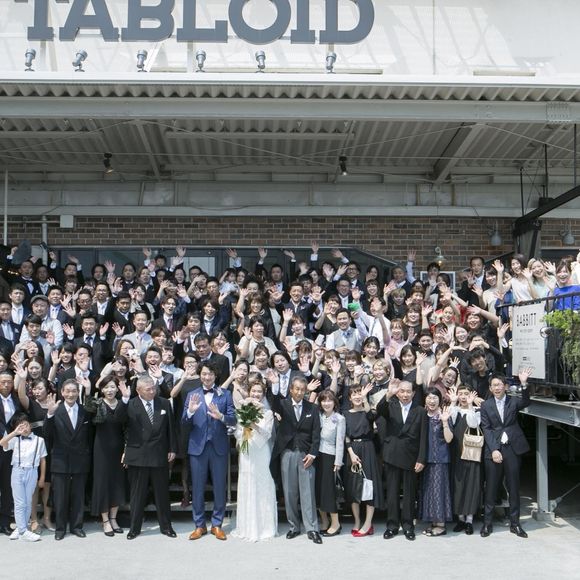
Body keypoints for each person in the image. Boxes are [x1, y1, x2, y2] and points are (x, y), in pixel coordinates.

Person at [114, 374, 177, 540]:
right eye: (148, 389)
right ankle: (134, 528)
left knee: (162, 493)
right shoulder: (130, 404)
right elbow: (118, 419)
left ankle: (166, 527)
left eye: (153, 388)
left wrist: (172, 448)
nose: (152, 392)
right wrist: (124, 399)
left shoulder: (163, 403)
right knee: (137, 495)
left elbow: (171, 427)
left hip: (159, 454)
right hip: (138, 455)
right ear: (138, 390)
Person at [183, 361, 236, 541]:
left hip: (218, 446)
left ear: (215, 375)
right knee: (197, 487)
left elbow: (233, 419)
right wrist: (190, 412)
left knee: (220, 487)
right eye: (204, 374)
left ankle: (217, 524)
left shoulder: (225, 394)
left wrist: (221, 416)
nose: (207, 377)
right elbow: (183, 421)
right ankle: (199, 525)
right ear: (200, 375)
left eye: (210, 374)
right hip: (198, 447)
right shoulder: (192, 395)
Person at [480, 369, 532, 538]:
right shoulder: (486, 405)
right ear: (490, 388)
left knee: (514, 487)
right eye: (494, 385)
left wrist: (523, 383)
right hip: (494, 448)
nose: (497, 388)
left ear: (505, 386)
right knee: (491, 487)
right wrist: (494, 449)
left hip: (512, 448)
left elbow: (526, 401)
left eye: (499, 385)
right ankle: (487, 524)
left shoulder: (513, 401)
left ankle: (515, 524)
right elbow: (486, 428)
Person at [270, 376, 322, 545]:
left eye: (302, 389)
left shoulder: (312, 408)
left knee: (308, 493)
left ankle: (312, 528)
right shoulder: (283, 404)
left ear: (306, 391)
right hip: (288, 453)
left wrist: (313, 454)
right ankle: (294, 526)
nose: (299, 392)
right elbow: (274, 403)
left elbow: (316, 433)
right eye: (297, 389)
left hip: (306, 455)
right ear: (291, 390)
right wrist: (275, 386)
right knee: (290, 492)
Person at [376, 379, 427, 541]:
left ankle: (408, 526)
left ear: (413, 393)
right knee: (392, 493)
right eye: (402, 391)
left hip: (411, 457)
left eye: (408, 391)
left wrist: (421, 459)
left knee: (409, 494)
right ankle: (392, 526)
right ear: (398, 393)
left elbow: (423, 437)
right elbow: (379, 410)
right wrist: (388, 394)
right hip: (392, 455)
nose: (405, 394)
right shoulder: (390, 405)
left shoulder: (420, 411)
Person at [44, 379, 92, 540]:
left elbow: (90, 436)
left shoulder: (85, 411)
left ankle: (77, 527)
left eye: (74, 391)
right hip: (60, 460)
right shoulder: (55, 410)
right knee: (60, 497)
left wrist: (88, 391)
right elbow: (46, 434)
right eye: (68, 391)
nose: (71, 394)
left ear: (78, 393)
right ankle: (60, 528)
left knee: (78, 496)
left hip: (80, 459)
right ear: (62, 392)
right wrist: (49, 414)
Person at [232, 377, 277, 541]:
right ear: (249, 393)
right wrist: (243, 433)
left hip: (261, 451)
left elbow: (267, 434)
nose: (256, 394)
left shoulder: (268, 413)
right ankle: (247, 527)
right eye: (253, 391)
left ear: (263, 394)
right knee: (247, 483)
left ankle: (264, 527)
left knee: (262, 484)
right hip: (247, 451)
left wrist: (254, 425)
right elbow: (237, 432)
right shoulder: (242, 410)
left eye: (259, 392)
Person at [344, 384, 383, 537]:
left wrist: (366, 399)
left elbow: (372, 417)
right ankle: (357, 521)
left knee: (369, 486)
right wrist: (351, 453)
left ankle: (368, 523)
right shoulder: (345, 414)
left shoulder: (368, 412)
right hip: (352, 450)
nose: (357, 396)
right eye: (354, 394)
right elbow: (345, 436)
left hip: (368, 449)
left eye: (359, 393)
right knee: (353, 487)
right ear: (349, 398)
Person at [0, 413, 47, 541]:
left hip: (32, 472)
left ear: (30, 425)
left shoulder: (39, 440)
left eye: (25, 425)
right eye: (20, 426)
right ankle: (23, 531)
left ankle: (21, 528)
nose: (24, 428)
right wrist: (15, 433)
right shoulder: (15, 440)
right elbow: (2, 442)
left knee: (27, 502)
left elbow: (43, 460)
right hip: (17, 472)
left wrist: (42, 477)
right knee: (19, 502)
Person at [91, 375, 126, 537]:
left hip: (119, 449)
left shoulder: (123, 404)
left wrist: (126, 449)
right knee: (103, 483)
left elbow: (127, 426)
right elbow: (88, 409)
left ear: (117, 388)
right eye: (106, 387)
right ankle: (105, 520)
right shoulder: (97, 403)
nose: (109, 390)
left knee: (117, 482)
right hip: (101, 449)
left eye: (112, 387)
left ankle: (113, 518)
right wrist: (88, 388)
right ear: (102, 389)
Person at [419, 388, 453, 536]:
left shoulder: (444, 415)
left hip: (440, 459)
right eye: (429, 398)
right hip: (425, 459)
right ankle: (434, 521)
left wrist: (444, 422)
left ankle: (441, 525)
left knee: (439, 491)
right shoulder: (423, 415)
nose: (431, 401)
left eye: (434, 398)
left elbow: (449, 439)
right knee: (429, 491)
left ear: (439, 400)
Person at [449, 385, 482, 535]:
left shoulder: (476, 411)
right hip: (456, 452)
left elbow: (473, 424)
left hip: (471, 453)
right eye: (460, 394)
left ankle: (469, 520)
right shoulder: (454, 410)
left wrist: (470, 406)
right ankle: (460, 519)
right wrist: (452, 402)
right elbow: (450, 421)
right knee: (458, 484)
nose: (463, 396)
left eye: (466, 394)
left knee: (471, 484)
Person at [315, 390, 345, 537]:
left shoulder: (339, 418)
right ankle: (324, 521)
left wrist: (338, 462)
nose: (326, 403)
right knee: (319, 490)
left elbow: (340, 441)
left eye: (329, 400)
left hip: (330, 456)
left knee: (328, 491)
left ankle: (336, 523)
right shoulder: (318, 416)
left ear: (334, 402)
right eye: (323, 400)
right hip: (316, 456)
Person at [0, 370, 20, 535]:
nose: (6, 385)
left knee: (7, 486)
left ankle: (5, 522)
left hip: (10, 449)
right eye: (3, 382)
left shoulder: (16, 399)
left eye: (9, 382)